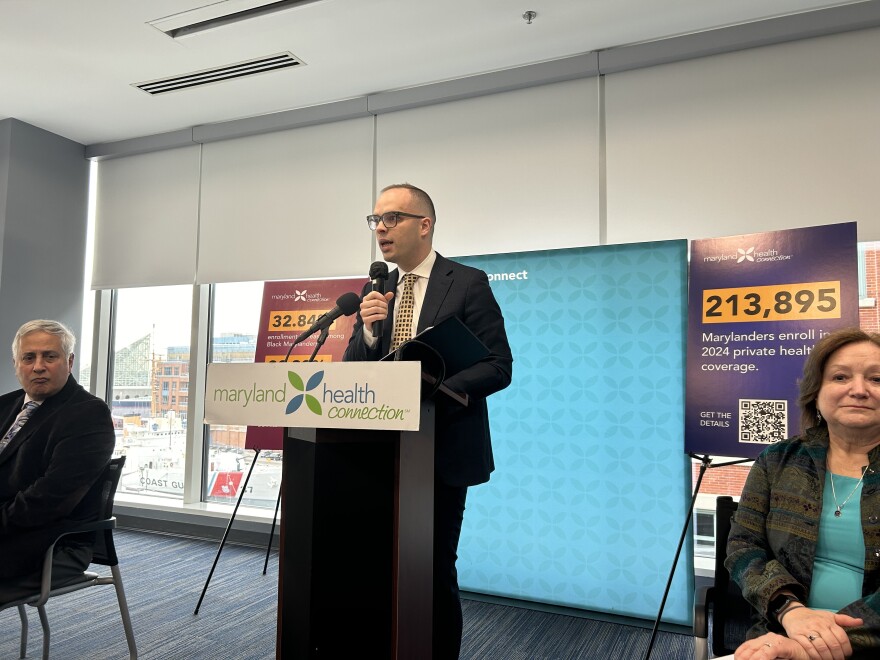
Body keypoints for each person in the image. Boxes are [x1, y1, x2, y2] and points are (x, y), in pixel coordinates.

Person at [344, 183, 513, 658]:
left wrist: (438, 385)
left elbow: (499, 364)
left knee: (434, 570)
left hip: (441, 452)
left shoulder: (467, 281)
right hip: (379, 452)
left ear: (425, 224)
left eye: (392, 218)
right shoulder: (376, 289)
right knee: (383, 568)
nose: (381, 228)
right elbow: (357, 369)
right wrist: (371, 332)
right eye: (375, 220)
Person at [727, 327, 880, 660]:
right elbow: (743, 546)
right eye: (840, 377)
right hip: (778, 633)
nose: (858, 390)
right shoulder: (777, 460)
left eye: (876, 379)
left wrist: (810, 644)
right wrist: (789, 610)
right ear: (816, 392)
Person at [0, 320, 115, 599]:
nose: (38, 366)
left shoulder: (88, 414)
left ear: (69, 361)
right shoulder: (5, 405)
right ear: (16, 363)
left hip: (48, 542)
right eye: (29, 357)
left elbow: (50, 499)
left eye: (49, 356)